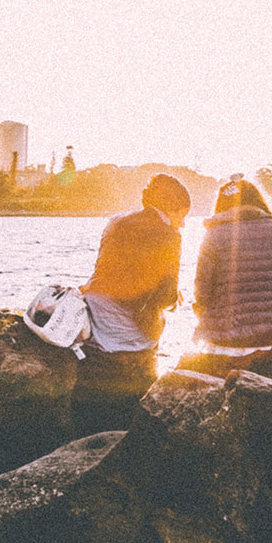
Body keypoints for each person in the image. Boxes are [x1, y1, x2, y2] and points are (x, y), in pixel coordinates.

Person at [73, 173, 192, 431]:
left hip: (95, 320)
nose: (182, 224)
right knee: (154, 331)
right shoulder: (170, 236)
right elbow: (164, 297)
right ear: (170, 208)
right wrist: (172, 300)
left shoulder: (114, 223)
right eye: (182, 215)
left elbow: (109, 271)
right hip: (130, 337)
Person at [191, 178, 272, 354]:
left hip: (226, 340)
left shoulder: (214, 236)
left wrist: (204, 318)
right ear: (258, 200)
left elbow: (202, 291)